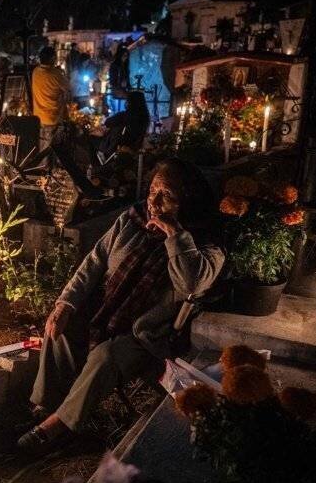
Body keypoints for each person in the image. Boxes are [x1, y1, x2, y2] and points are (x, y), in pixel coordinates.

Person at [18, 159, 224, 452]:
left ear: (187, 200)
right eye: (153, 190)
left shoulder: (206, 242)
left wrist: (176, 235)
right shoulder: (133, 219)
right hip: (108, 312)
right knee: (61, 327)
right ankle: (48, 405)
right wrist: (66, 303)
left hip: (147, 333)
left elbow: (191, 283)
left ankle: (58, 427)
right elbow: (96, 260)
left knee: (106, 356)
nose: (154, 201)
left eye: (166, 195)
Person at [31, 46, 70, 152]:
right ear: (52, 58)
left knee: (43, 148)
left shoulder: (35, 72)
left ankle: (43, 167)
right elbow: (68, 88)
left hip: (39, 116)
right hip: (53, 117)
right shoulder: (55, 74)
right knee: (53, 150)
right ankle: (46, 168)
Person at [96, 90, 150, 162]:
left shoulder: (125, 115)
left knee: (92, 139)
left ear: (130, 102)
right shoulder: (145, 118)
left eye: (127, 100)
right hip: (134, 147)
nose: (125, 102)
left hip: (117, 148)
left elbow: (107, 122)